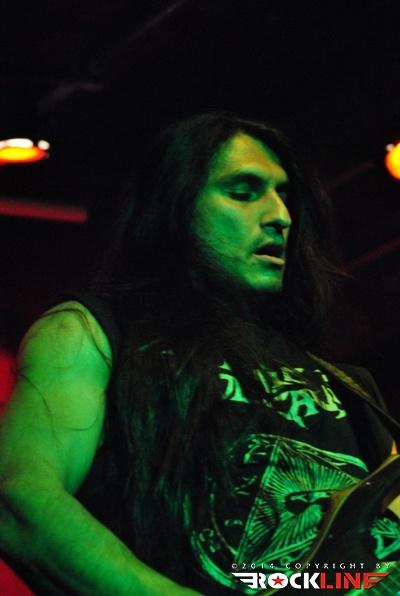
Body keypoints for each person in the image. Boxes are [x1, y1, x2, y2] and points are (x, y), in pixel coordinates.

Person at [0, 113, 398, 595]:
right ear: (176, 207)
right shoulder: (92, 332)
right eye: (243, 192)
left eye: (285, 196)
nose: (281, 216)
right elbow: (20, 500)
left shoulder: (349, 388)